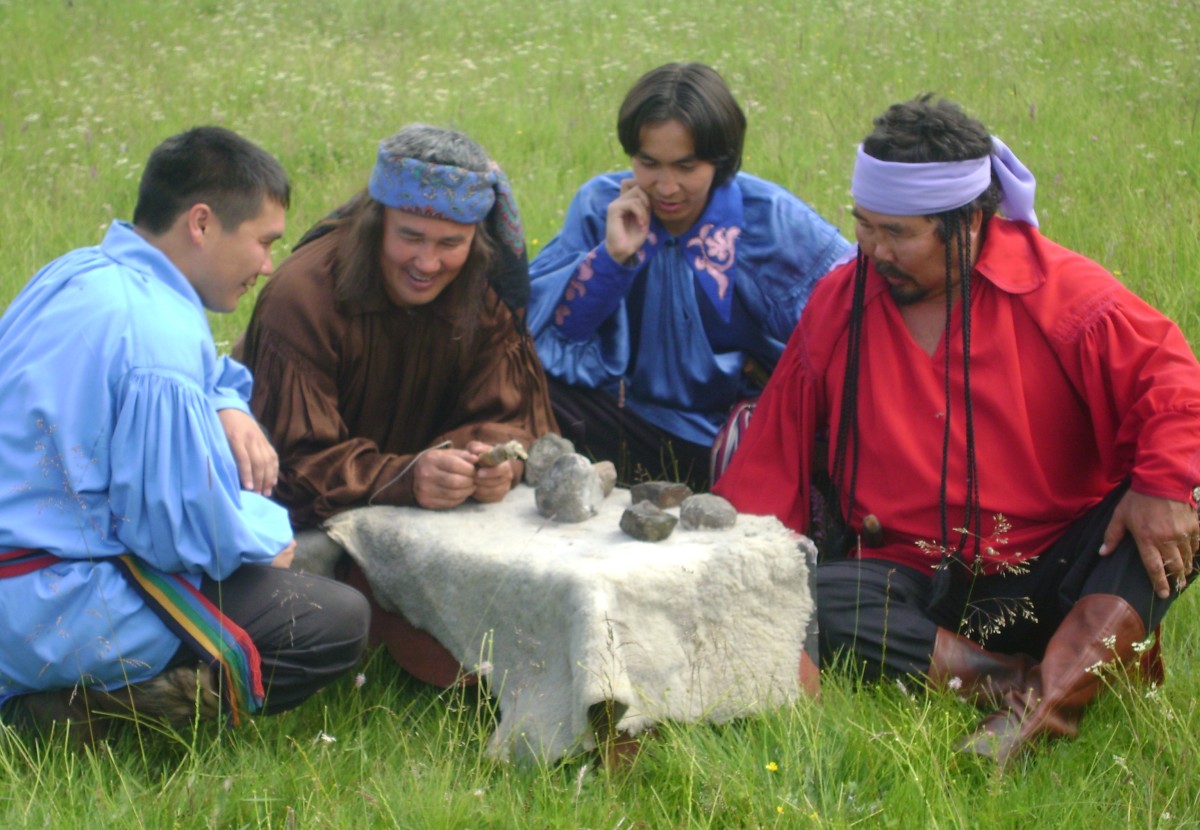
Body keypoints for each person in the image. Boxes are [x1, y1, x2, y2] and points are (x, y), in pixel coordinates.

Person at [714, 95, 1200, 765]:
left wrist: (1164, 485)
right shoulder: (838, 303)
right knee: (807, 597)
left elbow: (1173, 383)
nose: (874, 249)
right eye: (864, 226)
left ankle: (1039, 715)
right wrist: (737, 572)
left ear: (970, 222)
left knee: (1185, 494)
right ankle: (1008, 679)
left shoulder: (1062, 294)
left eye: (898, 233)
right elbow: (774, 451)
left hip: (1054, 568)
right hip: (916, 583)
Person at [0, 127, 370, 745]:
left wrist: (228, 404)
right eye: (262, 242)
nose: (268, 265)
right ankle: (77, 717)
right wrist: (264, 536)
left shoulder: (78, 272)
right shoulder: (157, 338)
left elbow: (204, 374)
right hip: (53, 601)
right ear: (201, 223)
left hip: (20, 571)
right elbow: (175, 535)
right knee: (331, 619)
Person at [238, 124, 557, 687]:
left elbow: (514, 413)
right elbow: (290, 461)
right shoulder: (304, 296)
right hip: (309, 512)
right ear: (376, 221)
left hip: (426, 501)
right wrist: (406, 478)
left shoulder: (482, 290)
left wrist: (493, 460)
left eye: (450, 244)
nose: (428, 263)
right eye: (410, 237)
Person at [526, 62, 850, 490]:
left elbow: (845, 327)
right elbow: (549, 342)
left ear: (721, 159)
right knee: (524, 384)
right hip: (632, 420)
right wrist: (613, 258)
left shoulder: (772, 219)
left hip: (744, 435)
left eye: (686, 166)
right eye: (649, 163)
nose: (666, 187)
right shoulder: (599, 206)